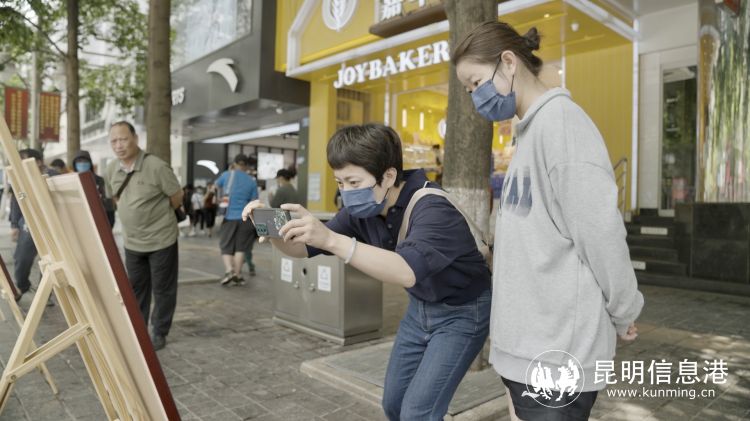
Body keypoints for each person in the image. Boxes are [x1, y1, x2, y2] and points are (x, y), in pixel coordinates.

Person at [453, 21, 644, 420]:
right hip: (527, 349)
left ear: (508, 63)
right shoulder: (528, 133)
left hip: (558, 356)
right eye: (468, 90)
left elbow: (601, 233)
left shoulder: (563, 125)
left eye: (476, 83)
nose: (474, 98)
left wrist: (625, 309)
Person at [242, 124, 491, 420]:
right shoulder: (363, 210)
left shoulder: (433, 208)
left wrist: (331, 239)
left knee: (417, 413)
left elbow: (407, 271)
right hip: (420, 308)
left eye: (354, 182)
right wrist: (270, 229)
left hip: (463, 313)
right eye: (340, 182)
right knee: (394, 404)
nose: (346, 192)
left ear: (388, 176)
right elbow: (302, 250)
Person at [104, 121, 183, 351]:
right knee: (136, 288)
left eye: (123, 139)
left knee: (163, 289)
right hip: (132, 241)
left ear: (135, 139)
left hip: (161, 239)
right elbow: (115, 197)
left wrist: (155, 217)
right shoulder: (111, 168)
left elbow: (176, 196)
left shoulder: (156, 166)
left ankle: (159, 331)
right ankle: (139, 330)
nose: (119, 145)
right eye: (114, 141)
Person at [9, 149, 58, 304]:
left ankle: (44, 295)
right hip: (28, 224)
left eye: (23, 161)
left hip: (51, 224)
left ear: (38, 162)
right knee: (22, 258)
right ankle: (22, 286)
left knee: (49, 262)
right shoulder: (20, 178)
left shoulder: (54, 176)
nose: (20, 165)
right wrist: (14, 224)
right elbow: (17, 200)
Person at [215, 154, 258, 285]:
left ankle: (229, 271)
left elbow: (215, 187)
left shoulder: (227, 175)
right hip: (245, 218)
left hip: (228, 216)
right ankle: (238, 274)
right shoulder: (251, 181)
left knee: (226, 245)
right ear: (246, 166)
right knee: (241, 247)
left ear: (234, 163)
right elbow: (254, 201)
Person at [72, 150, 115, 227]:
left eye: (85, 161)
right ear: (75, 164)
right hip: (78, 220)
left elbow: (108, 202)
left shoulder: (99, 180)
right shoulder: (71, 180)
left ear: (90, 163)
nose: (82, 164)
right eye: (79, 161)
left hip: (97, 219)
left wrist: (109, 224)